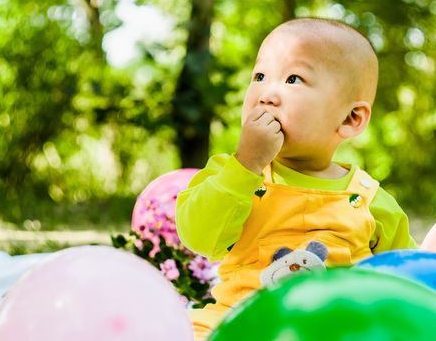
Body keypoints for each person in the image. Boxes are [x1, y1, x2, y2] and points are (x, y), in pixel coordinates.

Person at [176, 17, 417, 340]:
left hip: (332, 332)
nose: (266, 94)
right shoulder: (232, 173)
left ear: (350, 118)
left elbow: (410, 280)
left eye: (293, 79)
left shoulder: (369, 201)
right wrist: (247, 164)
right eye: (260, 76)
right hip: (239, 324)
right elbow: (198, 236)